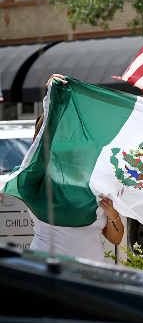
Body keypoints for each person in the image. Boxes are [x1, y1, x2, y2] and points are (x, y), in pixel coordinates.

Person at [28, 79, 125, 262]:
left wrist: (113, 216)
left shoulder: (97, 183)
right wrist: (53, 98)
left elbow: (115, 239)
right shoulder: (39, 180)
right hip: (47, 277)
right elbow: (38, 148)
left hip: (87, 279)